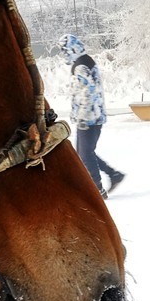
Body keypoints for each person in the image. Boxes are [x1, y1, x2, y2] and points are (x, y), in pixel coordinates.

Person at [59, 33, 125, 198]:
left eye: (64, 50)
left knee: (85, 154)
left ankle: (97, 189)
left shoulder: (81, 65)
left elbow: (88, 92)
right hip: (92, 117)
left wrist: (82, 117)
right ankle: (113, 174)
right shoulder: (85, 61)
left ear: (71, 49)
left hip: (89, 119)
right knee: (85, 152)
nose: (63, 54)